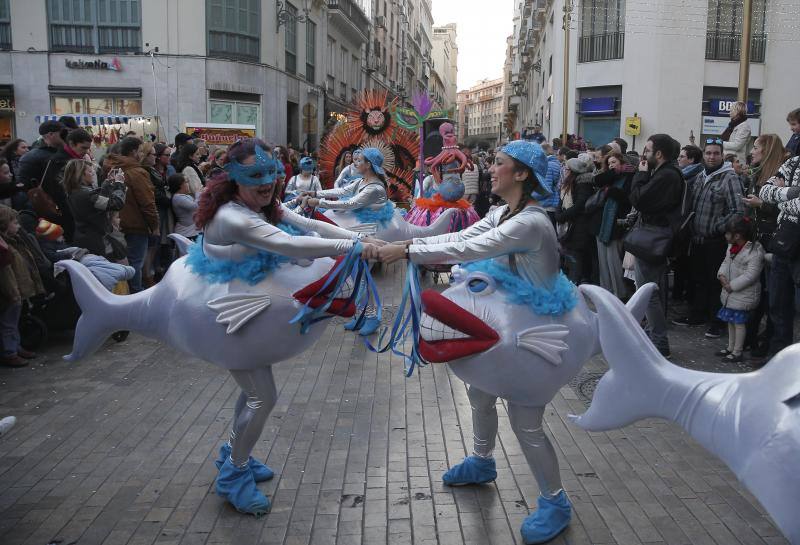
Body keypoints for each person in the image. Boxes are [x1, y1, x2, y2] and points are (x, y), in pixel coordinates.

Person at [377, 140, 576, 544]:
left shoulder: (531, 223)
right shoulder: (503, 211)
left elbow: (471, 247)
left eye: (500, 164)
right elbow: (465, 235)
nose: (491, 170)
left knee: (526, 422)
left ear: (522, 175)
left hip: (533, 334)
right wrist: (403, 246)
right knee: (480, 395)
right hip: (504, 323)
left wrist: (406, 250)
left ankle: (555, 501)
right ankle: (482, 462)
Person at [192, 138, 378, 515]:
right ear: (233, 176)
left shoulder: (259, 205)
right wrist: (355, 248)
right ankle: (234, 473)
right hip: (226, 311)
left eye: (272, 173)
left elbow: (306, 223)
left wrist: (361, 238)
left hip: (247, 308)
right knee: (263, 396)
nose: (267, 182)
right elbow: (290, 246)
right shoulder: (233, 216)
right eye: (255, 174)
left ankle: (234, 454)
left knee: (253, 393)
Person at [300, 147, 390, 335]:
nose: (355, 163)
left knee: (363, 278)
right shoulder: (361, 181)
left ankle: (372, 317)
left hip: (371, 235)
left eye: (360, 160)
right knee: (358, 277)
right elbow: (342, 190)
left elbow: (351, 203)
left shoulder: (375, 187)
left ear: (369, 165)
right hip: (358, 233)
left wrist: (319, 203)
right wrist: (316, 194)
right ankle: (361, 315)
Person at [674, 138, 745, 338]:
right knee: (698, 280)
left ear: (722, 155)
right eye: (708, 153)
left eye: (715, 153)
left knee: (716, 283)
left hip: (716, 241)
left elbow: (738, 211)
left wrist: (717, 228)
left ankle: (717, 322)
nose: (711, 157)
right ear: (703, 155)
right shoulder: (701, 176)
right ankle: (698, 315)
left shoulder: (730, 178)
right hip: (696, 240)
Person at [629, 134, 684, 358]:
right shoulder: (665, 173)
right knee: (649, 290)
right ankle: (653, 337)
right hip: (656, 235)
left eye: (648, 150)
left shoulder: (667, 175)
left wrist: (641, 175)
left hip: (656, 237)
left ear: (659, 154)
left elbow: (638, 198)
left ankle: (659, 342)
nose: (644, 154)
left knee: (647, 292)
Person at [741, 134, 787, 355]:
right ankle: (750, 338)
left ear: (766, 151)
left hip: (773, 241)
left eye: (756, 147)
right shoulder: (757, 174)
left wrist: (761, 204)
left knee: (772, 296)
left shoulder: (780, 175)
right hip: (757, 239)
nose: (752, 151)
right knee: (757, 292)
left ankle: (768, 343)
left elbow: (786, 210)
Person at [104, 136, 159, 292]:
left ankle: (128, 292)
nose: (143, 154)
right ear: (134, 151)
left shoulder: (113, 168)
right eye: (142, 150)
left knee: (124, 261)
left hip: (117, 223)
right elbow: (147, 202)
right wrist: (154, 225)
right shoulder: (136, 172)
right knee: (135, 262)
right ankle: (135, 294)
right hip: (136, 224)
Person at [758, 153, 800, 356]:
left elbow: (773, 198)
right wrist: (792, 192)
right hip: (784, 244)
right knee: (778, 306)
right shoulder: (793, 162)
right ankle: (779, 361)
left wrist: (781, 195)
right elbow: (764, 192)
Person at [715, 216, 764, 363]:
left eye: (727, 233)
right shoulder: (732, 247)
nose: (725, 236)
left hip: (742, 294)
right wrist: (722, 275)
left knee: (738, 323)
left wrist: (732, 285)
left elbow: (751, 275)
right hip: (730, 293)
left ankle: (737, 351)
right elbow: (725, 262)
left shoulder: (754, 252)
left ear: (737, 235)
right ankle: (730, 347)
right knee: (730, 321)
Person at [0, 205, 42, 367]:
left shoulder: (13, 241)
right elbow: (6, 273)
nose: (18, 225)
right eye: (14, 222)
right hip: (10, 291)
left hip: (16, 287)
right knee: (8, 322)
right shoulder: (4, 246)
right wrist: (13, 292)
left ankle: (16, 347)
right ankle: (10, 352)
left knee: (14, 320)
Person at [588, 152, 633, 299]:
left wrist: (610, 191)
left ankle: (619, 294)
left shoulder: (630, 176)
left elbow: (627, 198)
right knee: (604, 262)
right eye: (609, 163)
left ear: (622, 162)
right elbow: (597, 180)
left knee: (614, 262)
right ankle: (606, 293)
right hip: (602, 225)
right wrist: (613, 171)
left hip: (617, 225)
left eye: (614, 162)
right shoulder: (610, 176)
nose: (611, 165)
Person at [64, 158, 127, 259]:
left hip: (84, 237)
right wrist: (119, 184)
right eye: (89, 171)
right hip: (96, 240)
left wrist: (107, 182)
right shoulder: (87, 194)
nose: (93, 173)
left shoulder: (74, 191)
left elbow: (98, 201)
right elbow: (116, 204)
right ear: (80, 174)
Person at [555, 153, 596, 284]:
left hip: (579, 225)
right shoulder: (568, 183)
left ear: (573, 171)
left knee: (575, 255)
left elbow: (580, 205)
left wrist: (562, 216)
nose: (564, 171)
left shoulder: (583, 183)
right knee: (569, 255)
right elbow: (561, 201)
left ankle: (574, 285)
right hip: (569, 224)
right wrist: (559, 213)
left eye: (567, 169)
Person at [141, 142, 171, 286]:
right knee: (151, 246)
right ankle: (148, 276)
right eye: (153, 154)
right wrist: (168, 198)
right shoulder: (145, 172)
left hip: (157, 209)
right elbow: (151, 196)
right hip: (153, 211)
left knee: (154, 246)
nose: (155, 157)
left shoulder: (150, 170)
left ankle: (150, 274)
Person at [168, 173, 199, 240]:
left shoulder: (185, 195)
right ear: (180, 185)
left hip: (192, 231)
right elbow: (194, 206)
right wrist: (198, 193)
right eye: (186, 182)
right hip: (186, 232)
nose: (188, 184)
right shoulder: (178, 197)